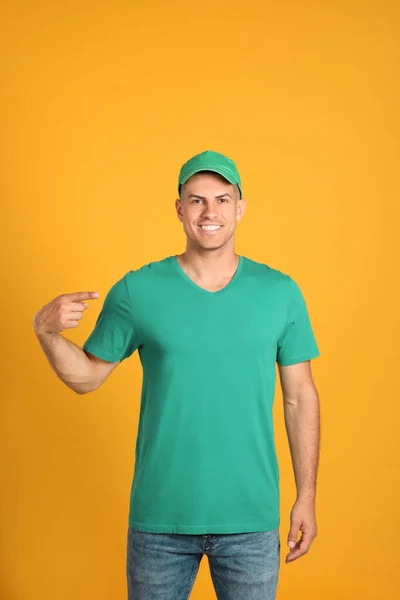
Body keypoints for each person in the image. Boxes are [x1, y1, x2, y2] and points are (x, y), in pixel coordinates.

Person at [34, 150, 321, 600]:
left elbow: (299, 397)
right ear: (179, 209)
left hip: (249, 521)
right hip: (160, 524)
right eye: (197, 200)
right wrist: (47, 333)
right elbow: (86, 377)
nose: (210, 212)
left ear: (241, 208)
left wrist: (306, 496)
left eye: (223, 200)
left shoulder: (280, 293)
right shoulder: (138, 290)